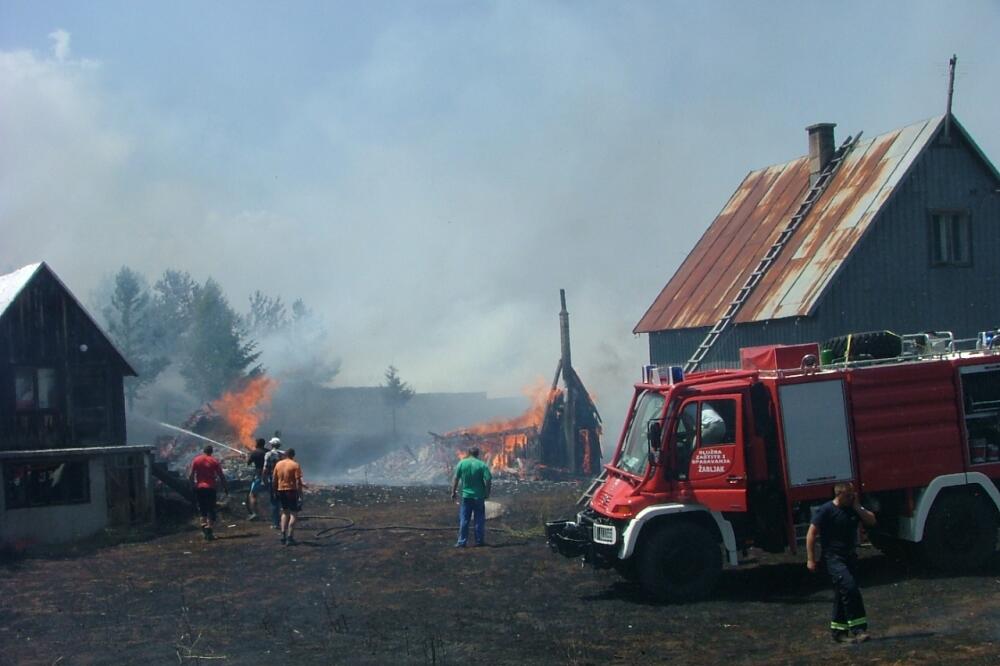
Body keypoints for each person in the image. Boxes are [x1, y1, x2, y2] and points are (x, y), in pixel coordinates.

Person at [806, 481, 877, 645]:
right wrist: (810, 559)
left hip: (850, 557)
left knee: (842, 592)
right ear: (839, 495)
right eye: (848, 496)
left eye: (853, 495)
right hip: (833, 558)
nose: (851, 498)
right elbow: (811, 534)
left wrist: (857, 506)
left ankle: (839, 632)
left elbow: (872, 521)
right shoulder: (826, 510)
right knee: (850, 587)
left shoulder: (853, 508)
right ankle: (859, 630)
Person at [450, 447, 492, 548]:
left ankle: (461, 542)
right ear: (478, 454)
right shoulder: (482, 465)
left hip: (466, 496)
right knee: (479, 519)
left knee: (464, 519)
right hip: (479, 496)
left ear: (468, 453)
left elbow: (456, 479)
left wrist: (453, 492)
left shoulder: (462, 463)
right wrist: (487, 492)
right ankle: (479, 541)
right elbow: (488, 480)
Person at [188, 445, 229, 541]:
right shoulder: (214, 461)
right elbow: (221, 476)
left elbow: (191, 475)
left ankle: (204, 529)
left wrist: (192, 486)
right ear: (211, 452)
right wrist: (226, 488)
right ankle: (209, 531)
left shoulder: (196, 460)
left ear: (203, 451)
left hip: (199, 488)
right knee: (211, 509)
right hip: (211, 488)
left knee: (202, 510)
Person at [273, 447, 305, 546]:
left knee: (284, 512)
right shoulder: (295, 465)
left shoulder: (278, 464)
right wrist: (300, 495)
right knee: (294, 514)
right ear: (293, 455)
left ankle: (283, 535)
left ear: (285, 454)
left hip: (281, 490)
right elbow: (298, 481)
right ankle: (290, 537)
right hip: (291, 491)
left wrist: (275, 491)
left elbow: (275, 479)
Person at [262, 436, 285, 529]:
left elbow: (265, 468)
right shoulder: (284, 454)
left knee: (274, 502)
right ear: (279, 445)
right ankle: (284, 521)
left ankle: (276, 523)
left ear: (271, 445)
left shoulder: (268, 454)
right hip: (283, 480)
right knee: (283, 502)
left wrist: (264, 480)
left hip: (273, 480)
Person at [246, 438, 267, 520]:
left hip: (259, 476)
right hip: (270, 475)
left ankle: (255, 514)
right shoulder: (268, 452)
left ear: (257, 444)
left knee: (253, 494)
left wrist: (247, 456)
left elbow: (248, 463)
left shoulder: (255, 452)